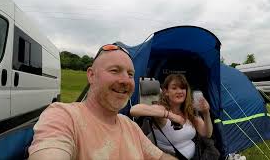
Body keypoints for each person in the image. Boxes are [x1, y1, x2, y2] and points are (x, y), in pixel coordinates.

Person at [28, 44, 176, 160]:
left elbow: (160, 157)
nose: (125, 80)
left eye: (130, 74)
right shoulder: (64, 116)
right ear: (91, 75)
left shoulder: (130, 126)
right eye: (114, 70)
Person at [130, 74, 213, 159]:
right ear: (166, 92)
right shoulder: (162, 109)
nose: (180, 91)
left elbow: (207, 133)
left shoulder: (189, 111)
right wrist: (171, 116)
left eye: (182, 88)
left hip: (195, 156)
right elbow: (134, 110)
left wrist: (206, 113)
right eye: (174, 88)